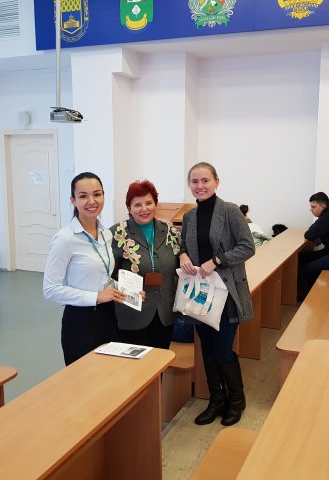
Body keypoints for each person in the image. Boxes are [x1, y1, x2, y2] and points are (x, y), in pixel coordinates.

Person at [179, 162, 255, 426]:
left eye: (205, 180)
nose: (200, 186)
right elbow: (184, 245)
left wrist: (218, 260)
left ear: (216, 182)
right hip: (200, 293)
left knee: (222, 350)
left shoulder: (230, 211)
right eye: (194, 181)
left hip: (226, 292)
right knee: (208, 349)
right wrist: (183, 254)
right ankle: (216, 401)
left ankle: (236, 400)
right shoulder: (189, 216)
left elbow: (248, 247)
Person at [43, 172, 126, 366]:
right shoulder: (65, 238)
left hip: (108, 316)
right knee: (83, 380)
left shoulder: (105, 233)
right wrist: (96, 297)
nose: (91, 201)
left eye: (97, 194)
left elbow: (102, 276)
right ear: (73, 200)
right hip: (80, 321)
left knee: (111, 374)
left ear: (103, 196)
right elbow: (50, 289)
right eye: (83, 196)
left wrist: (126, 291)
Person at [110, 180, 181, 349]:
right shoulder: (117, 234)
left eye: (149, 203)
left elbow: (179, 265)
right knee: (136, 363)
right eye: (137, 205)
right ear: (129, 208)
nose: (144, 209)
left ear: (155, 204)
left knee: (160, 360)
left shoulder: (170, 231)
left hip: (164, 312)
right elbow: (107, 275)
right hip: (132, 313)